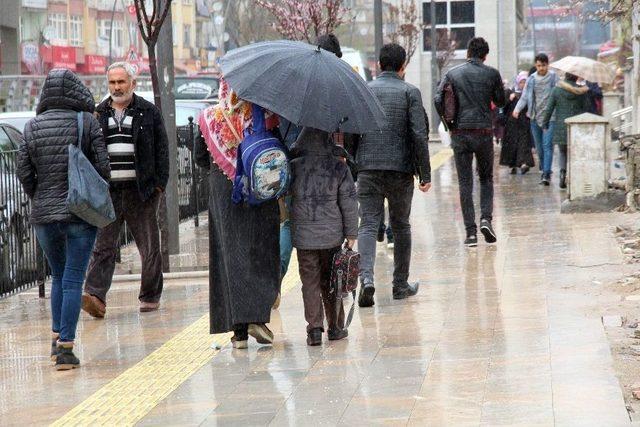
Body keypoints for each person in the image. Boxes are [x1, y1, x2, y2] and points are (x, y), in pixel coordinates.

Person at [17, 69, 111, 370]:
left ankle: (56, 340)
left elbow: (24, 172)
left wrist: (40, 196)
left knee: (58, 276)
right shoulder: (87, 123)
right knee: (73, 279)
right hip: (80, 213)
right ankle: (67, 349)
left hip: (45, 216)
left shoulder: (31, 127)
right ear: (76, 91)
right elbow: (103, 168)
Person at [81, 62, 169, 318]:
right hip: (108, 192)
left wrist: (159, 187)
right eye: (112, 83)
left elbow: (162, 151)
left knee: (149, 246)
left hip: (140, 192)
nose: (117, 87)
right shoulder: (98, 114)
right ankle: (96, 296)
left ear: (132, 83)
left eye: (121, 82)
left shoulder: (148, 112)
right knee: (103, 246)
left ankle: (150, 296)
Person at [195, 85, 278, 349]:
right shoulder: (264, 116)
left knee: (228, 255)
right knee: (259, 250)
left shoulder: (209, 118)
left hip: (223, 194)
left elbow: (199, 157)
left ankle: (237, 332)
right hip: (258, 190)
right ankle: (255, 316)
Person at [355, 43, 431, 308]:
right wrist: (425, 173)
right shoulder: (410, 92)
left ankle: (366, 280)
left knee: (367, 224)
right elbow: (419, 135)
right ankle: (400, 285)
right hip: (400, 170)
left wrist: (356, 165)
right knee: (401, 225)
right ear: (403, 67)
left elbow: (354, 130)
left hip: (367, 168)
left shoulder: (365, 90)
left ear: (378, 64)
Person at [289, 127, 358, 346]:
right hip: (332, 236)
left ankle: (314, 330)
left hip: (304, 236)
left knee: (309, 282)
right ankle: (336, 327)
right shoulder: (338, 167)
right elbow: (348, 202)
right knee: (332, 281)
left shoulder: (294, 168)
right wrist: (351, 233)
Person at [435, 37, 505, 247]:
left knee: (465, 182)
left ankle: (471, 233)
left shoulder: (452, 74)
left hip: (460, 133)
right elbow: (500, 101)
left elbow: (438, 99)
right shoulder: (492, 73)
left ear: (468, 53)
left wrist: (449, 125)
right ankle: (486, 219)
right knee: (486, 178)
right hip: (483, 131)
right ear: (485, 55)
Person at [513, 53, 558, 186]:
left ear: (547, 65)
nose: (541, 68)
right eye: (538, 65)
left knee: (547, 145)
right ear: (535, 65)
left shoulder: (553, 77)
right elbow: (525, 96)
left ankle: (546, 173)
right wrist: (517, 109)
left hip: (550, 117)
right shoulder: (531, 79)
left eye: (543, 65)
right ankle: (544, 168)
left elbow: (558, 92)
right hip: (534, 116)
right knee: (539, 147)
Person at [541, 73, 589, 189]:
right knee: (575, 154)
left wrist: (545, 123)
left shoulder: (556, 91)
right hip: (576, 127)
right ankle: (574, 176)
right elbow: (586, 108)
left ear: (565, 77)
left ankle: (563, 174)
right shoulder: (581, 92)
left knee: (563, 152)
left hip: (561, 126)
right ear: (576, 77)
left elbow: (549, 109)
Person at [499, 71, 535, 175]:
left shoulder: (528, 93)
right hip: (511, 124)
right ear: (517, 82)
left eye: (525, 82)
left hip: (524, 122)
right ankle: (512, 165)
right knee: (512, 144)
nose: (523, 85)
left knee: (523, 143)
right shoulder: (509, 93)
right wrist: (509, 99)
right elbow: (502, 106)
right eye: (521, 82)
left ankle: (523, 163)